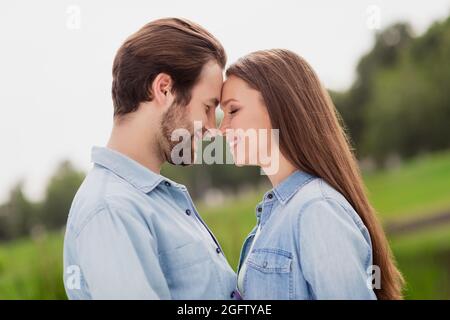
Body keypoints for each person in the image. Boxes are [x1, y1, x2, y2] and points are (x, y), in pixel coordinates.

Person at [63, 18, 237, 300]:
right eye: (207, 107)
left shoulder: (149, 199)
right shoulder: (111, 209)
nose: (211, 126)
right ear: (164, 89)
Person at [219, 49, 404, 299]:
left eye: (232, 111)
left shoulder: (316, 210)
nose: (222, 128)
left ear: (277, 107)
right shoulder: (279, 213)